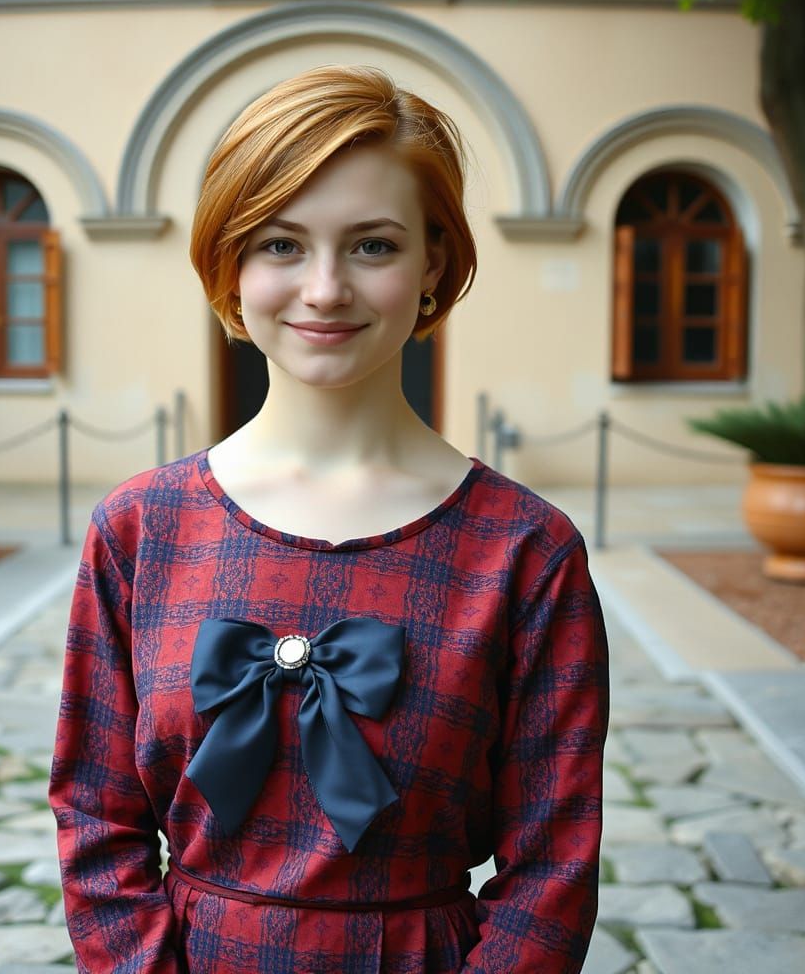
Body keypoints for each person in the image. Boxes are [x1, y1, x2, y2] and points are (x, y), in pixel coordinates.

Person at [49, 64, 610, 974]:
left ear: (434, 259)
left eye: (372, 246)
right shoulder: (139, 531)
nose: (323, 289)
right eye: (280, 243)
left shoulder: (526, 552)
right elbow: (95, 819)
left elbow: (553, 866)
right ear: (230, 260)